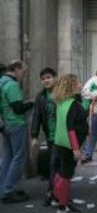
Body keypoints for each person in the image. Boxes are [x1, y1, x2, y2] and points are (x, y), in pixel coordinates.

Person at [53, 74, 88, 213]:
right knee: (66, 175)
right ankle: (63, 206)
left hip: (60, 143)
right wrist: (75, 149)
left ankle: (58, 197)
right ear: (71, 85)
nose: (81, 84)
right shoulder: (72, 104)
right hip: (69, 145)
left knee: (61, 173)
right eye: (78, 82)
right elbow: (70, 128)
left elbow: (79, 116)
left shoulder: (62, 101)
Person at [0, 60, 33, 204]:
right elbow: (18, 108)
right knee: (18, 158)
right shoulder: (12, 85)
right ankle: (8, 191)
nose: (23, 75)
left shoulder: (1, 81)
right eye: (23, 72)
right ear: (16, 69)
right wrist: (32, 102)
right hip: (16, 123)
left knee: (7, 158)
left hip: (5, 125)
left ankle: (3, 188)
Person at [31, 67, 59, 205]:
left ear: (55, 77)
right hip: (51, 136)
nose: (46, 81)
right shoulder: (40, 96)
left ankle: (57, 192)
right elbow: (36, 116)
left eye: (48, 77)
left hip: (64, 135)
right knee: (54, 164)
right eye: (43, 79)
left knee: (61, 166)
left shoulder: (62, 93)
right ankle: (52, 192)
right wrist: (34, 136)